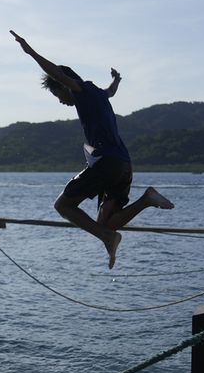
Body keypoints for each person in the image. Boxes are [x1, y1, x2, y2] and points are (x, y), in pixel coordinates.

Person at [11, 30, 174, 268]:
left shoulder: (82, 90)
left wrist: (30, 51)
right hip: (124, 165)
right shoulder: (98, 93)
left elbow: (56, 72)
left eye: (58, 93)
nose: (60, 100)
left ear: (65, 85)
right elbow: (111, 91)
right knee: (106, 222)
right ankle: (146, 200)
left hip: (107, 162)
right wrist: (116, 79)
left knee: (63, 206)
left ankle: (107, 238)